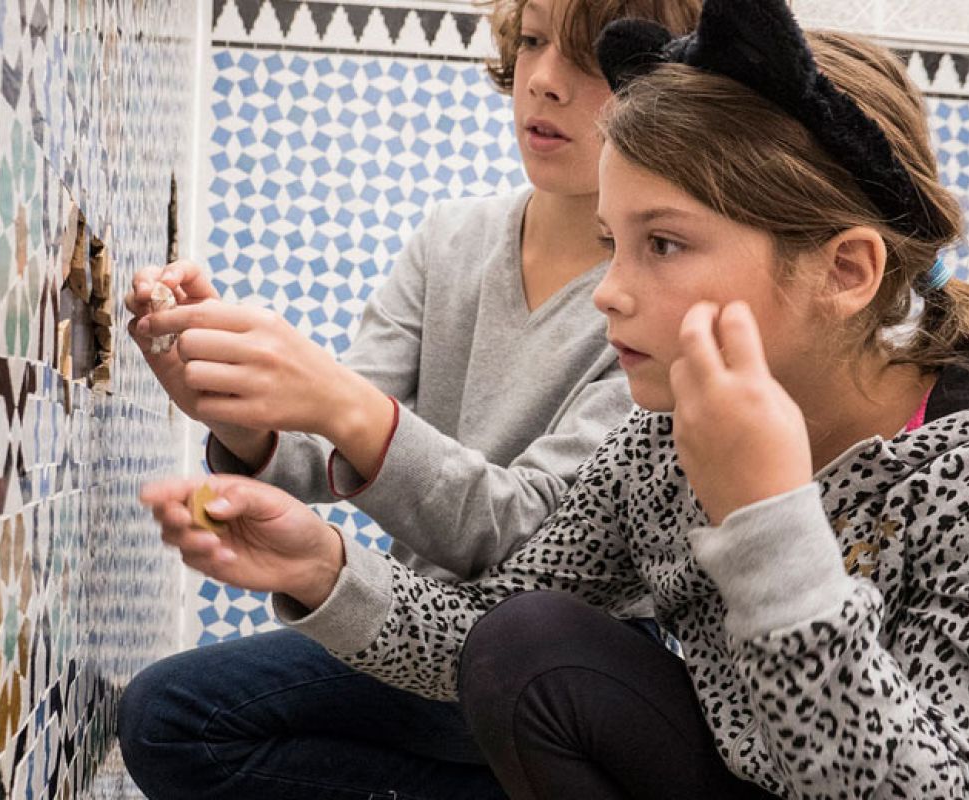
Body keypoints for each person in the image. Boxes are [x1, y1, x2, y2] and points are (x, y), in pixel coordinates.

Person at [140, 1, 969, 797]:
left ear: (847, 270)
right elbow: (487, 636)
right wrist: (323, 567)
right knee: (532, 642)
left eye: (662, 244)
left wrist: (769, 522)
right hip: (771, 776)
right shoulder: (660, 442)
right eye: (610, 242)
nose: (615, 291)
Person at [117, 2, 701, 797]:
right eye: (530, 43)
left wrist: (341, 406)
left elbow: (526, 533)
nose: (542, 82)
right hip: (414, 617)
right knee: (164, 720)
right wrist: (234, 406)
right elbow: (323, 447)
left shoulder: (659, 300)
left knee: (172, 714)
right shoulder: (450, 238)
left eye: (589, 61)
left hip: (562, 652)